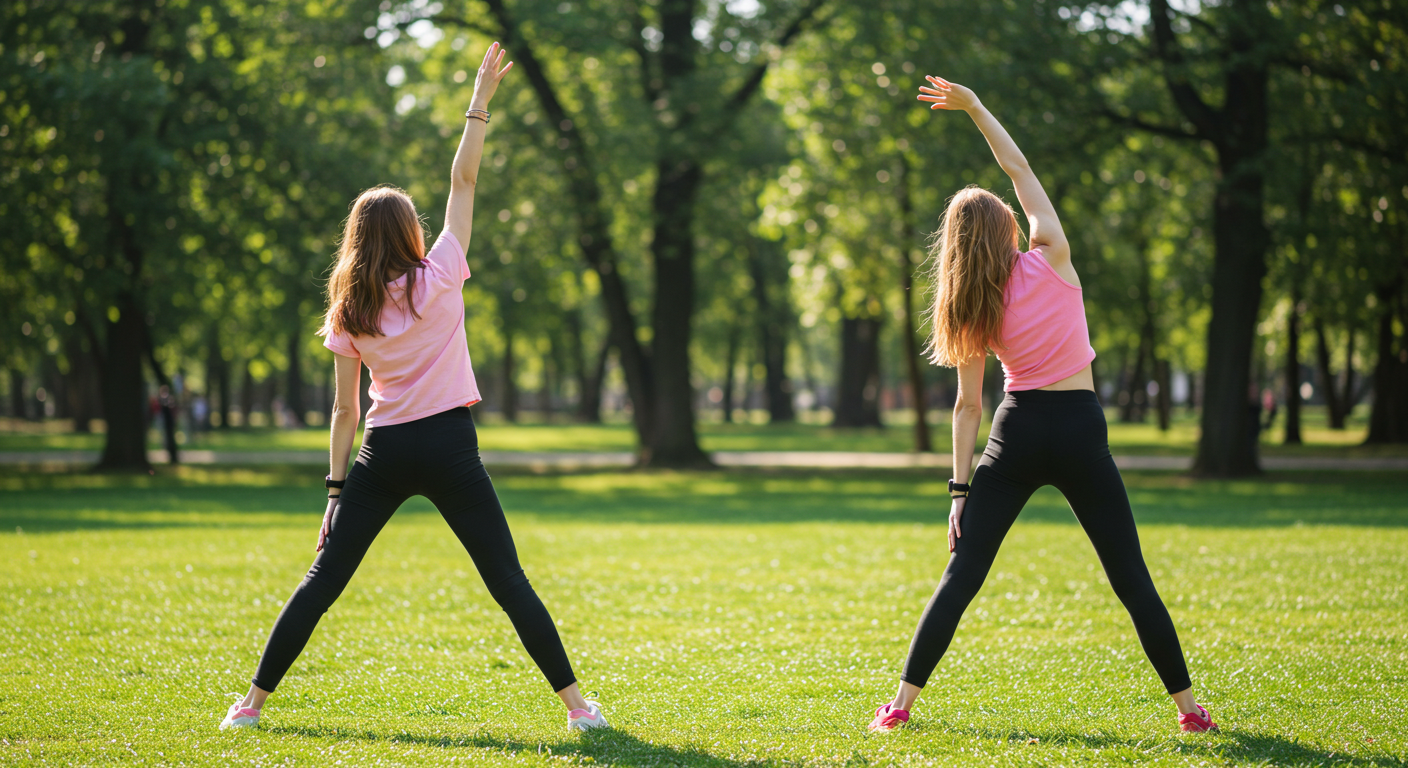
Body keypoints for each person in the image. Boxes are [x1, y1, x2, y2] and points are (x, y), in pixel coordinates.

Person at [220, 43, 608, 734]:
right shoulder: (441, 275)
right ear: (409, 233)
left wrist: (335, 494)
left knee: (323, 582)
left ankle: (249, 706)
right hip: (451, 446)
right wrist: (478, 102)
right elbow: (463, 183)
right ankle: (579, 710)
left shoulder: (349, 311)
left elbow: (344, 409)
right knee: (507, 580)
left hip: (384, 452)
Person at [866, 76, 1216, 734]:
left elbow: (967, 408)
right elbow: (1017, 164)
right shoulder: (1051, 255)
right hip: (1080, 428)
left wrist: (958, 492)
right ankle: (1190, 712)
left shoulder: (971, 307)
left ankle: (900, 709)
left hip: (1016, 432)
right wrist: (974, 108)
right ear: (1007, 227)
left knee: (961, 576)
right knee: (1130, 578)